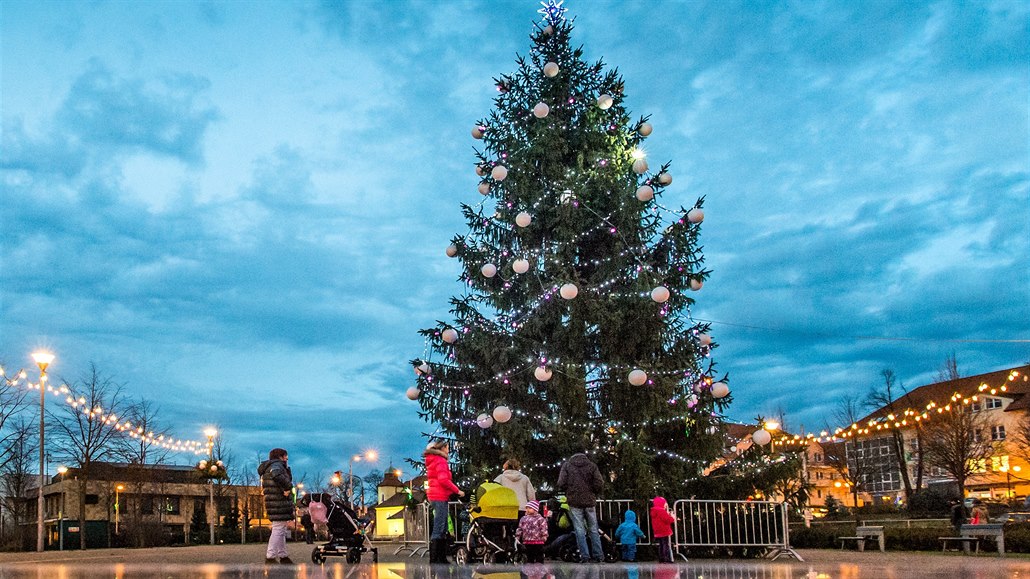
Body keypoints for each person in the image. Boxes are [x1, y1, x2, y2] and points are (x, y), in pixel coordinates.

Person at [557, 448, 604, 563]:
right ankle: (598, 555)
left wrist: (569, 490)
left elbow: (561, 483)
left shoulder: (567, 466)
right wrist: (592, 491)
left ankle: (585, 556)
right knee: (593, 529)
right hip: (589, 501)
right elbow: (599, 482)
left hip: (574, 501)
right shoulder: (592, 466)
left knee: (579, 530)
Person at [425, 439, 464, 564]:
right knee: (440, 526)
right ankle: (436, 558)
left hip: (436, 495)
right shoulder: (440, 461)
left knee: (442, 526)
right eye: (447, 448)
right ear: (442, 449)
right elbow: (443, 480)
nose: (449, 450)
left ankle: (440, 557)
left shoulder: (434, 460)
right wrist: (457, 491)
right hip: (439, 495)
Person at [258, 448, 295, 564]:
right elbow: (277, 475)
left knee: (280, 529)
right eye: (285, 456)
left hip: (274, 502)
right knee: (278, 529)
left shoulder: (269, 467)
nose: (287, 458)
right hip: (279, 502)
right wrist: (288, 487)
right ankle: (270, 556)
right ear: (280, 456)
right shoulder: (277, 466)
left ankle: (283, 555)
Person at [650, 496, 676, 563]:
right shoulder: (661, 511)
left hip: (657, 531)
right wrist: (672, 517)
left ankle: (661, 558)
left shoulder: (653, 511)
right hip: (664, 530)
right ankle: (666, 558)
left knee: (661, 544)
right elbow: (668, 520)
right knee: (665, 544)